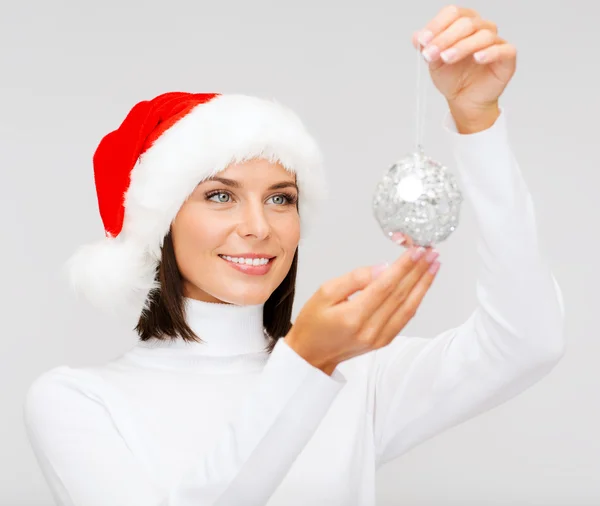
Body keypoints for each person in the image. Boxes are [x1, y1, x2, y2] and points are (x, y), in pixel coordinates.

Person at [22, 6, 565, 506]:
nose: (260, 227)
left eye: (281, 198)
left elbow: (527, 340)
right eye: (220, 195)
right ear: (157, 223)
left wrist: (479, 124)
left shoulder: (355, 381)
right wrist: (305, 363)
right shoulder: (77, 402)